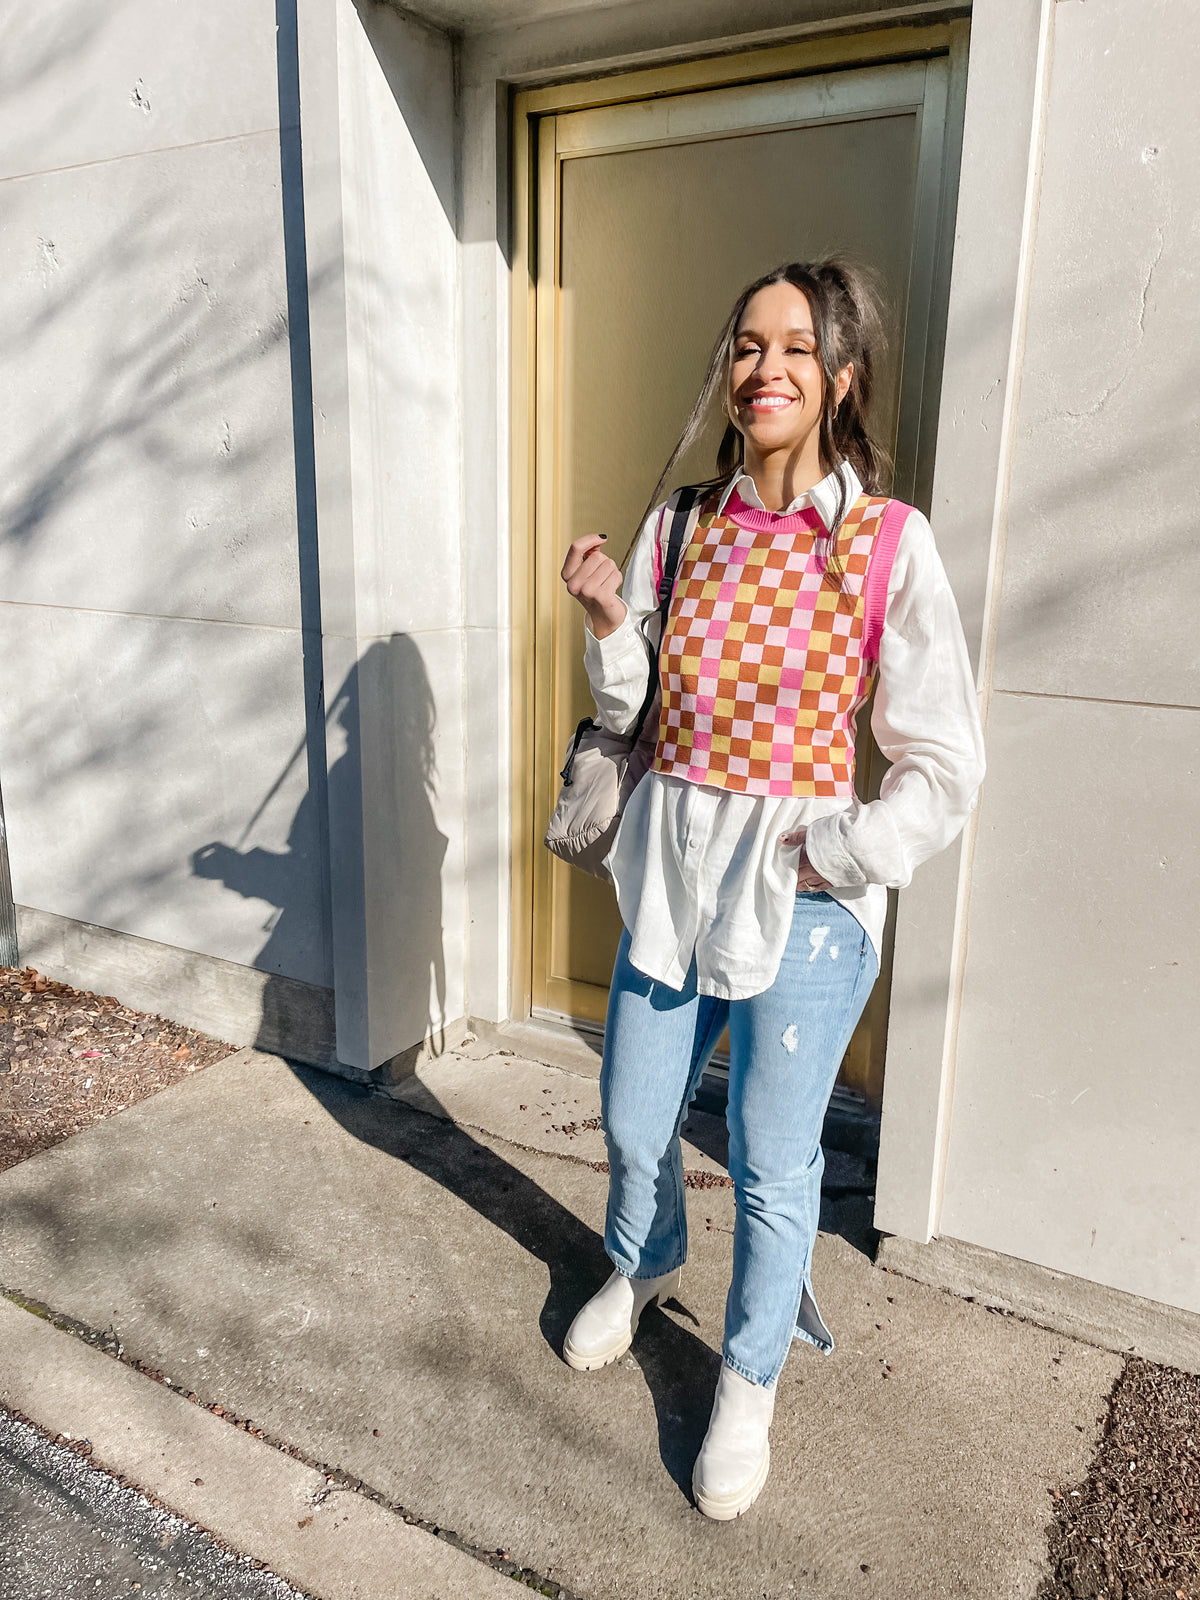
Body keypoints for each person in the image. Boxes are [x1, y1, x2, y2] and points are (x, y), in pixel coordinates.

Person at [557, 260, 985, 1520]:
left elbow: (943, 762)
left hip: (801, 899)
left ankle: (748, 1375)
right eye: (747, 346)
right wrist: (603, 625)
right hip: (673, 884)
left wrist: (833, 855)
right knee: (637, 1117)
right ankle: (643, 1262)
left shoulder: (882, 541)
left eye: (796, 348)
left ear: (840, 376)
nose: (766, 369)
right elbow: (636, 716)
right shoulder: (682, 525)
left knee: (767, 1156)